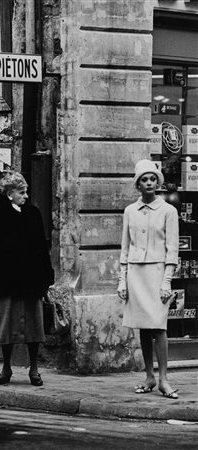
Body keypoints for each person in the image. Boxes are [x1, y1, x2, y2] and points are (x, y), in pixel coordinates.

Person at [0, 171, 54, 386]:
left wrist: (46, 278)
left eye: (26, 192)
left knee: (33, 327)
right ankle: (6, 367)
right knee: (6, 326)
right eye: (21, 192)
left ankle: (34, 369)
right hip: (5, 280)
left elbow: (41, 247)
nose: (26, 196)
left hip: (31, 281)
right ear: (9, 194)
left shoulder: (33, 214)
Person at [117, 159, 179, 399]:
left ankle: (164, 378)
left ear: (158, 182)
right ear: (138, 185)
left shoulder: (168, 211)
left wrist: (167, 281)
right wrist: (122, 280)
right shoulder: (130, 211)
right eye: (145, 179)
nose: (149, 183)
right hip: (135, 272)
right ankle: (149, 375)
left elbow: (172, 249)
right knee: (142, 327)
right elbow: (124, 247)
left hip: (157, 273)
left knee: (159, 327)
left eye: (153, 179)